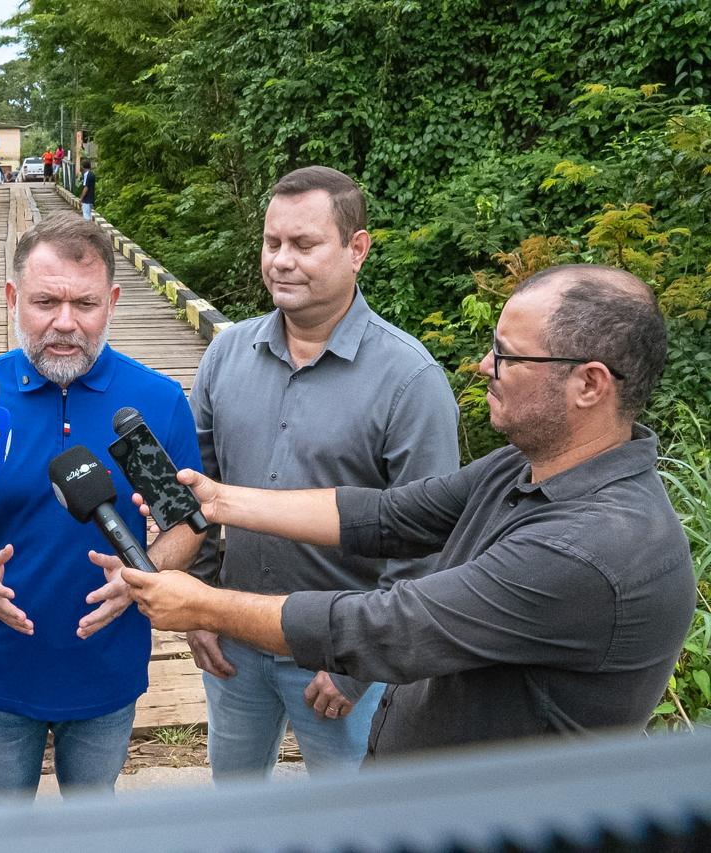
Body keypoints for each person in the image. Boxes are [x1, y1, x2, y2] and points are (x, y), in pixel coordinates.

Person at [124, 264, 696, 760]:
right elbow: (386, 516)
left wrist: (203, 603)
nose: (482, 365)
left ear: (590, 384)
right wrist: (221, 500)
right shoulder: (521, 466)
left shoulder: (591, 548)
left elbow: (391, 627)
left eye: (507, 355)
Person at [188, 166, 459, 778]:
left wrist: (363, 661)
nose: (282, 261)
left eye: (305, 245)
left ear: (356, 249)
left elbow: (428, 541)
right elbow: (195, 488)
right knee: (233, 804)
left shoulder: (409, 381)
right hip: (235, 642)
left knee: (352, 819)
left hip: (340, 659)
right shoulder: (226, 354)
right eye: (272, 243)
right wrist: (202, 602)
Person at [0, 213, 205, 802]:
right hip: (0, 665)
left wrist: (146, 574)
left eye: (84, 304)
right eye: (44, 302)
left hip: (107, 670)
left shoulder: (156, 403)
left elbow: (187, 523)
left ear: (112, 301)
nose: (64, 324)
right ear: (12, 299)